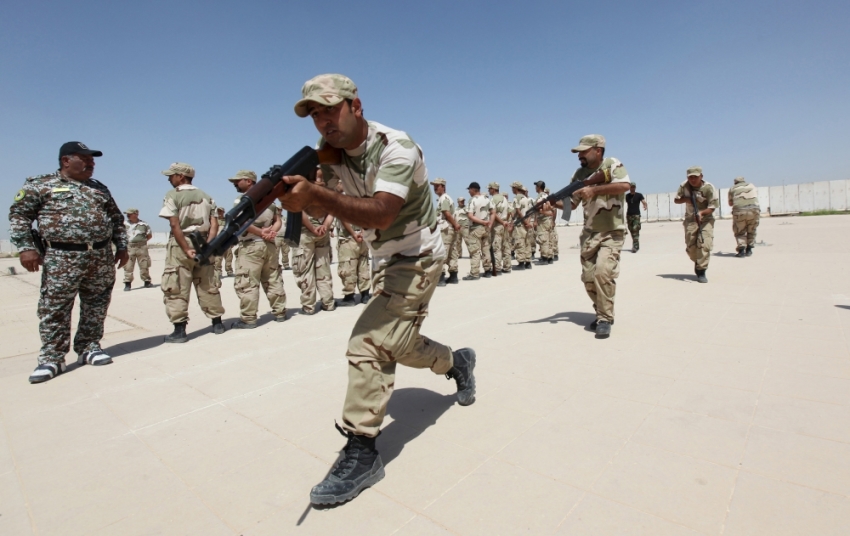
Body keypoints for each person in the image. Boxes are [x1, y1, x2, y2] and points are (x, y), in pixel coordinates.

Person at [282, 73, 476, 505]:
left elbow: (383, 213)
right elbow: (327, 190)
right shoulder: (331, 156)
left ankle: (362, 449)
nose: (323, 121)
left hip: (418, 254)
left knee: (368, 342)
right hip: (386, 258)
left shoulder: (396, 147)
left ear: (356, 105)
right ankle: (456, 362)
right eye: (314, 114)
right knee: (396, 343)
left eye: (330, 109)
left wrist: (317, 194)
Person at [9, 141, 129, 383]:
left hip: (100, 256)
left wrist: (122, 246)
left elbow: (116, 219)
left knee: (96, 304)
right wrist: (25, 248)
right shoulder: (41, 185)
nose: (91, 163)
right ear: (66, 160)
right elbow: (20, 216)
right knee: (55, 307)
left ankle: (88, 347)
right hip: (62, 257)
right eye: (84, 159)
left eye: (92, 160)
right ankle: (52, 357)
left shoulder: (98, 188)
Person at [554, 135, 630, 339]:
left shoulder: (612, 164)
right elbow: (572, 204)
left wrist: (594, 189)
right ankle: (601, 309)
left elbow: (625, 186)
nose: (579, 155)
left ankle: (605, 317)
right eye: (579, 152)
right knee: (588, 279)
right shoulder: (578, 174)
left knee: (603, 273)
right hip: (589, 234)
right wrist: (551, 205)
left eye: (583, 151)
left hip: (613, 231)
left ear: (598, 150)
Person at [158, 162, 226, 342]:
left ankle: (179, 330)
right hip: (204, 242)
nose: (169, 178)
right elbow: (214, 224)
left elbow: (174, 224)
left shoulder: (172, 195)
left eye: (171, 175)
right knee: (208, 283)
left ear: (181, 176)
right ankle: (217, 324)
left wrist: (186, 248)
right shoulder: (207, 196)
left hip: (181, 244)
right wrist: (208, 245)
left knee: (177, 285)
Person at [228, 170, 288, 328]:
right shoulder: (270, 200)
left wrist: (261, 232)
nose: (234, 183)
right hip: (269, 245)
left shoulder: (242, 200)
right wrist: (271, 232)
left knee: (247, 282)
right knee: (273, 279)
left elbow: (240, 222)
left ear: (249, 181)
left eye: (238, 180)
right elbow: (278, 220)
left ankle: (248, 319)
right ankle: (280, 312)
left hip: (251, 246)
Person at [293, 169, 336, 315]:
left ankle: (309, 306)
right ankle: (328, 302)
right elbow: (332, 212)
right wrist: (325, 226)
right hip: (322, 233)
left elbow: (299, 211)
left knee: (305, 270)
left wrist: (312, 228)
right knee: (323, 268)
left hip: (306, 233)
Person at [674, 166, 718, 283]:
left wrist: (702, 213)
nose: (693, 180)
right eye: (690, 177)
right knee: (691, 247)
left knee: (704, 244)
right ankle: (698, 261)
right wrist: (686, 199)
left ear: (701, 176)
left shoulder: (709, 188)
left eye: (695, 177)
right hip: (690, 219)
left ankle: (701, 270)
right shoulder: (684, 186)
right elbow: (676, 199)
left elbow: (713, 207)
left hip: (706, 219)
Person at [335, 217, 372, 305]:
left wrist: (354, 234)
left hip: (348, 238)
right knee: (363, 266)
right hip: (363, 237)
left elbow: (343, 217)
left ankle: (349, 297)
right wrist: (363, 232)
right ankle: (365, 295)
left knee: (348, 267)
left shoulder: (344, 202)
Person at [431, 178, 461, 286]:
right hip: (450, 228)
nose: (435, 188)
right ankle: (453, 276)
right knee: (452, 252)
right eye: (434, 186)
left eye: (437, 185)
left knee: (442, 252)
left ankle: (441, 278)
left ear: (443, 186)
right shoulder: (447, 198)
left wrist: (455, 224)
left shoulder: (443, 198)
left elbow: (447, 214)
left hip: (445, 229)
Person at [464, 181, 494, 280]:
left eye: (469, 190)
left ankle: (474, 273)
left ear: (473, 189)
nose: (469, 192)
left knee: (475, 251)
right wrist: (489, 223)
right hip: (486, 228)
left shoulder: (473, 200)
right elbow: (493, 212)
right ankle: (487, 271)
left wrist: (481, 222)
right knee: (486, 250)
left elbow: (470, 216)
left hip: (476, 228)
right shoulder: (486, 199)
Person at [728, 176, 759, 257]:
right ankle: (749, 250)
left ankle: (741, 250)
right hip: (754, 210)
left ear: (735, 182)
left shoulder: (732, 188)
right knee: (751, 229)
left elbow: (730, 203)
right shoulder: (752, 185)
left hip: (740, 211)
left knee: (739, 231)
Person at [123, 208, 153, 290]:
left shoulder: (144, 224)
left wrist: (141, 242)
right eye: (127, 214)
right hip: (129, 247)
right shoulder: (124, 224)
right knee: (128, 266)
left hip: (142, 247)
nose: (128, 215)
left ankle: (147, 281)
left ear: (136, 214)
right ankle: (127, 283)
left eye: (130, 214)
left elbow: (149, 235)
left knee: (144, 265)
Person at [488, 182, 512, 274]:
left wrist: (501, 221)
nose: (488, 191)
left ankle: (497, 267)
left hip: (498, 225)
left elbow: (494, 213)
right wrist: (506, 221)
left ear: (493, 189)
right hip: (505, 223)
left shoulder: (493, 199)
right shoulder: (504, 199)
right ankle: (507, 267)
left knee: (496, 247)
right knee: (506, 246)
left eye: (489, 189)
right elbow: (510, 211)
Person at [511, 182, 534, 270]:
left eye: (513, 188)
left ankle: (521, 263)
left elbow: (518, 211)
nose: (512, 190)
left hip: (520, 224)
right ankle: (528, 262)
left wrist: (524, 222)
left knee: (520, 242)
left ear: (516, 188)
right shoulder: (526, 198)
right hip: (526, 223)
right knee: (527, 242)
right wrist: (528, 222)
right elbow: (530, 212)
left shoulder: (517, 198)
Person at [533, 181, 554, 264]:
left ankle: (544, 258)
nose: (535, 188)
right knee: (549, 238)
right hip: (548, 219)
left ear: (538, 187)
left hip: (543, 220)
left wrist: (535, 220)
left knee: (543, 238)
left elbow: (537, 209)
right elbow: (553, 209)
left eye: (536, 186)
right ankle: (550, 257)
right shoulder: (547, 196)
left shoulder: (540, 197)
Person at [213, 207, 236, 277]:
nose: (219, 213)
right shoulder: (214, 221)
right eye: (218, 211)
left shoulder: (227, 221)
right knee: (218, 258)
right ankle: (218, 272)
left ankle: (229, 271)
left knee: (229, 257)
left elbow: (231, 231)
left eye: (221, 211)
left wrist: (232, 241)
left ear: (223, 212)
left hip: (226, 242)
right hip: (218, 243)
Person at [625, 182, 647, 253]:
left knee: (635, 230)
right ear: (629, 188)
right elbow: (621, 202)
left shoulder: (639, 195)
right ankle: (636, 244)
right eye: (631, 187)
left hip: (636, 215)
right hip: (629, 215)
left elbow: (643, 201)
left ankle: (635, 246)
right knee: (631, 230)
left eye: (633, 187)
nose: (632, 188)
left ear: (635, 188)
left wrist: (645, 205)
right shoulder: (627, 196)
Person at [274, 204, 293, 270]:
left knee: (286, 252)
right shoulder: (274, 219)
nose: (279, 211)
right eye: (278, 210)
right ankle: (276, 265)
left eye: (280, 210)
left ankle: (286, 265)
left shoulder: (284, 218)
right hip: (276, 237)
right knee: (276, 252)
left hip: (284, 237)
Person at [454, 196, 470, 269]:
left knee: (467, 241)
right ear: (458, 202)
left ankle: (471, 254)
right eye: (461, 201)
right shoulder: (455, 210)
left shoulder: (466, 209)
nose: (462, 202)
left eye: (463, 201)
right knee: (458, 242)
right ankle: (458, 254)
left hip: (465, 227)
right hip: (458, 227)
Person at [545, 188, 560, 261]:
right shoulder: (545, 201)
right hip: (546, 222)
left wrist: (553, 221)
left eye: (546, 192)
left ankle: (556, 253)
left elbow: (554, 211)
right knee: (548, 239)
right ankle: (549, 254)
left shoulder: (551, 201)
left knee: (554, 237)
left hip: (551, 221)